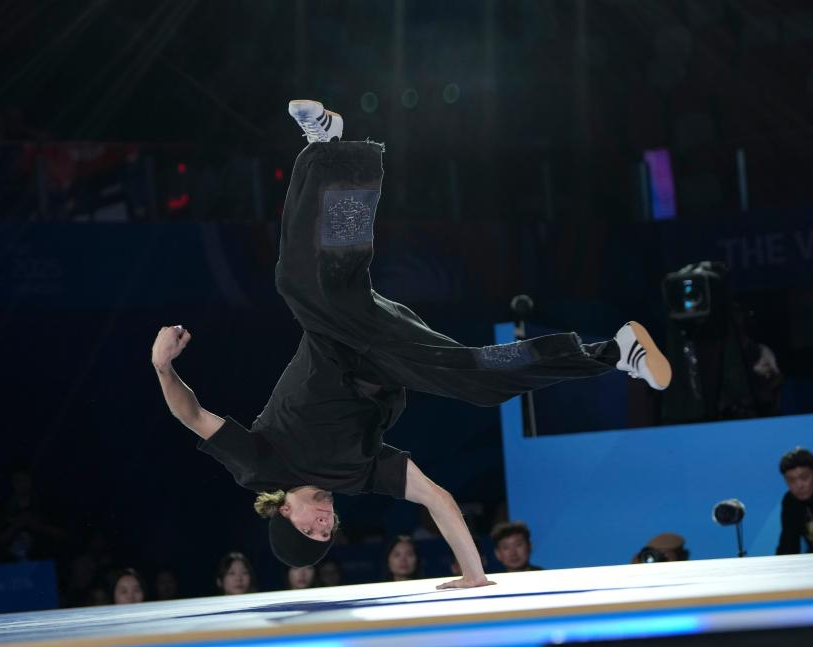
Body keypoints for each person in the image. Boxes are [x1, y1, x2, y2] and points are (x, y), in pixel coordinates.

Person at [151, 99, 671, 590]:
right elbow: (436, 498)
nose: (325, 523)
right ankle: (616, 351)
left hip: (336, 330)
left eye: (311, 528)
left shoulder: (260, 466)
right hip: (386, 355)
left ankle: (326, 148)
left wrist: (162, 368)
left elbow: (191, 416)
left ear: (284, 511)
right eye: (327, 533)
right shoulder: (362, 476)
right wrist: (475, 575)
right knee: (479, 382)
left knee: (299, 281)